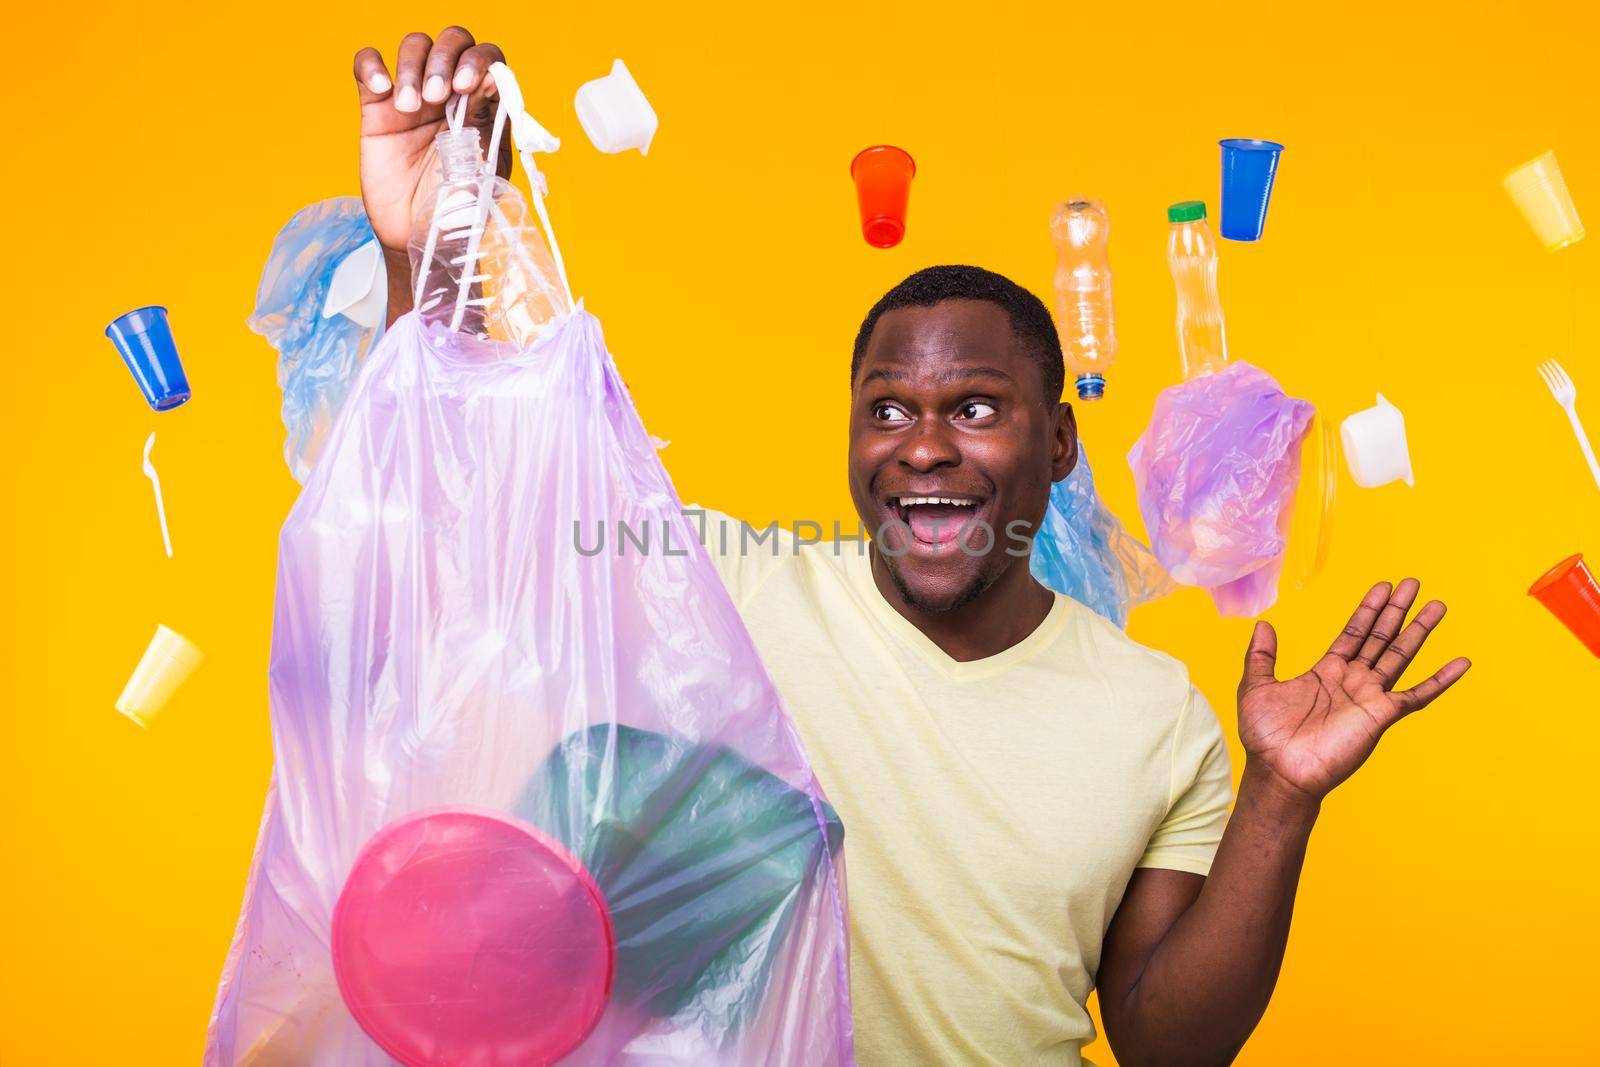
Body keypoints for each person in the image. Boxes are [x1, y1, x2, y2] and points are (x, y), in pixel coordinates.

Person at [346, 28, 1472, 1066]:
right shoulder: (729, 586)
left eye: (976, 409)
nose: (923, 447)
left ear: (1062, 441)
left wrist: (1282, 794)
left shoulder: (1158, 715)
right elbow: (465, 502)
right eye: (887, 411)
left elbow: (1163, 1042)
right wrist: (435, 238)